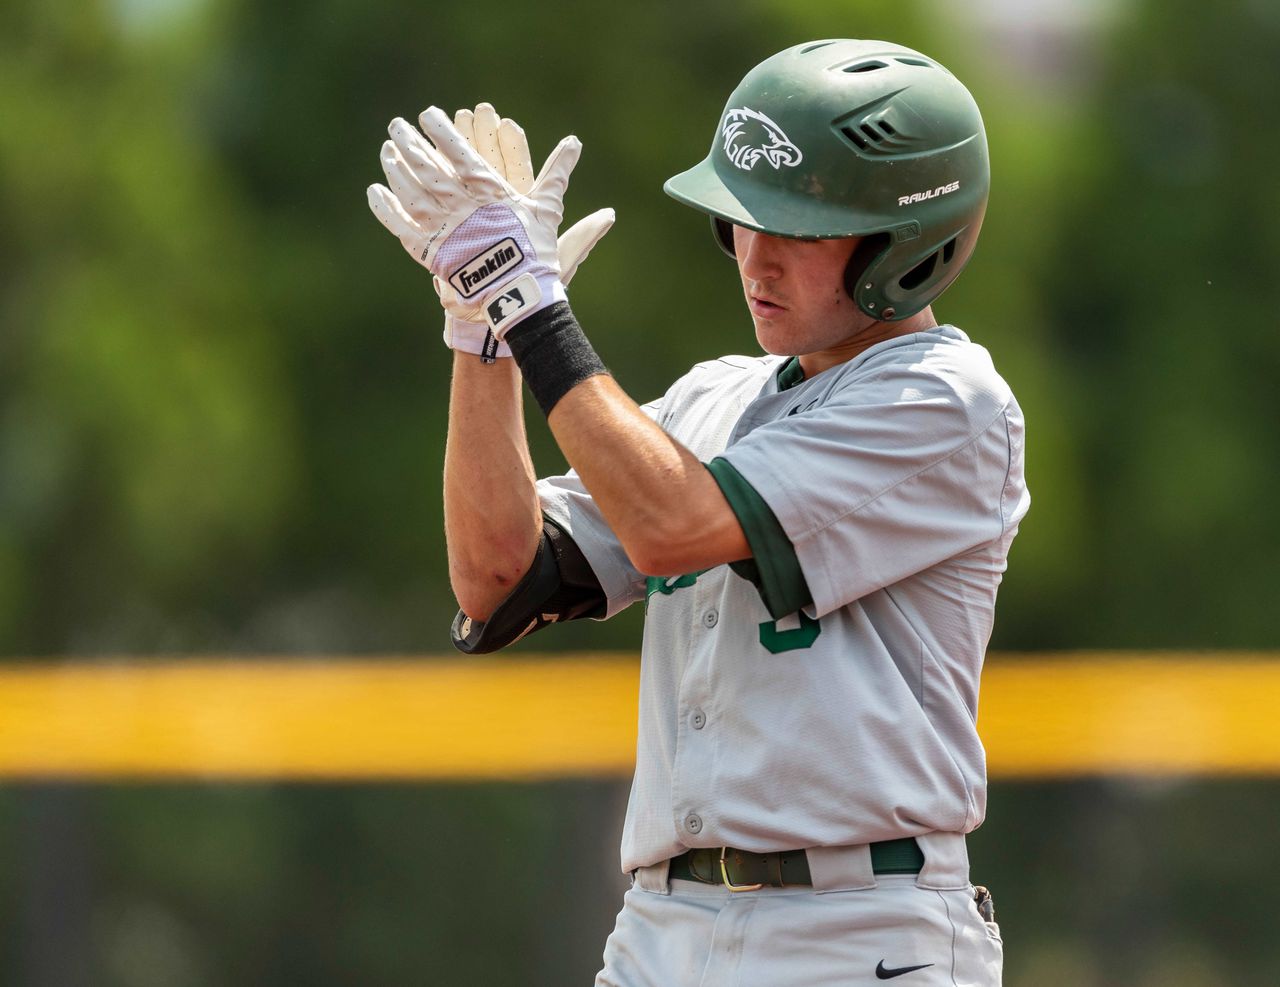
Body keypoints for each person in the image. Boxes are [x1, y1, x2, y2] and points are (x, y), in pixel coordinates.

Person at [368, 37, 1027, 987]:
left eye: (797, 228)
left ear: (906, 245)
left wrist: (535, 311)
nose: (754, 257)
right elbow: (498, 573)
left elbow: (674, 522)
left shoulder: (948, 401)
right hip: (661, 929)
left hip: (857, 933)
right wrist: (485, 340)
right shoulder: (718, 393)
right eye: (741, 221)